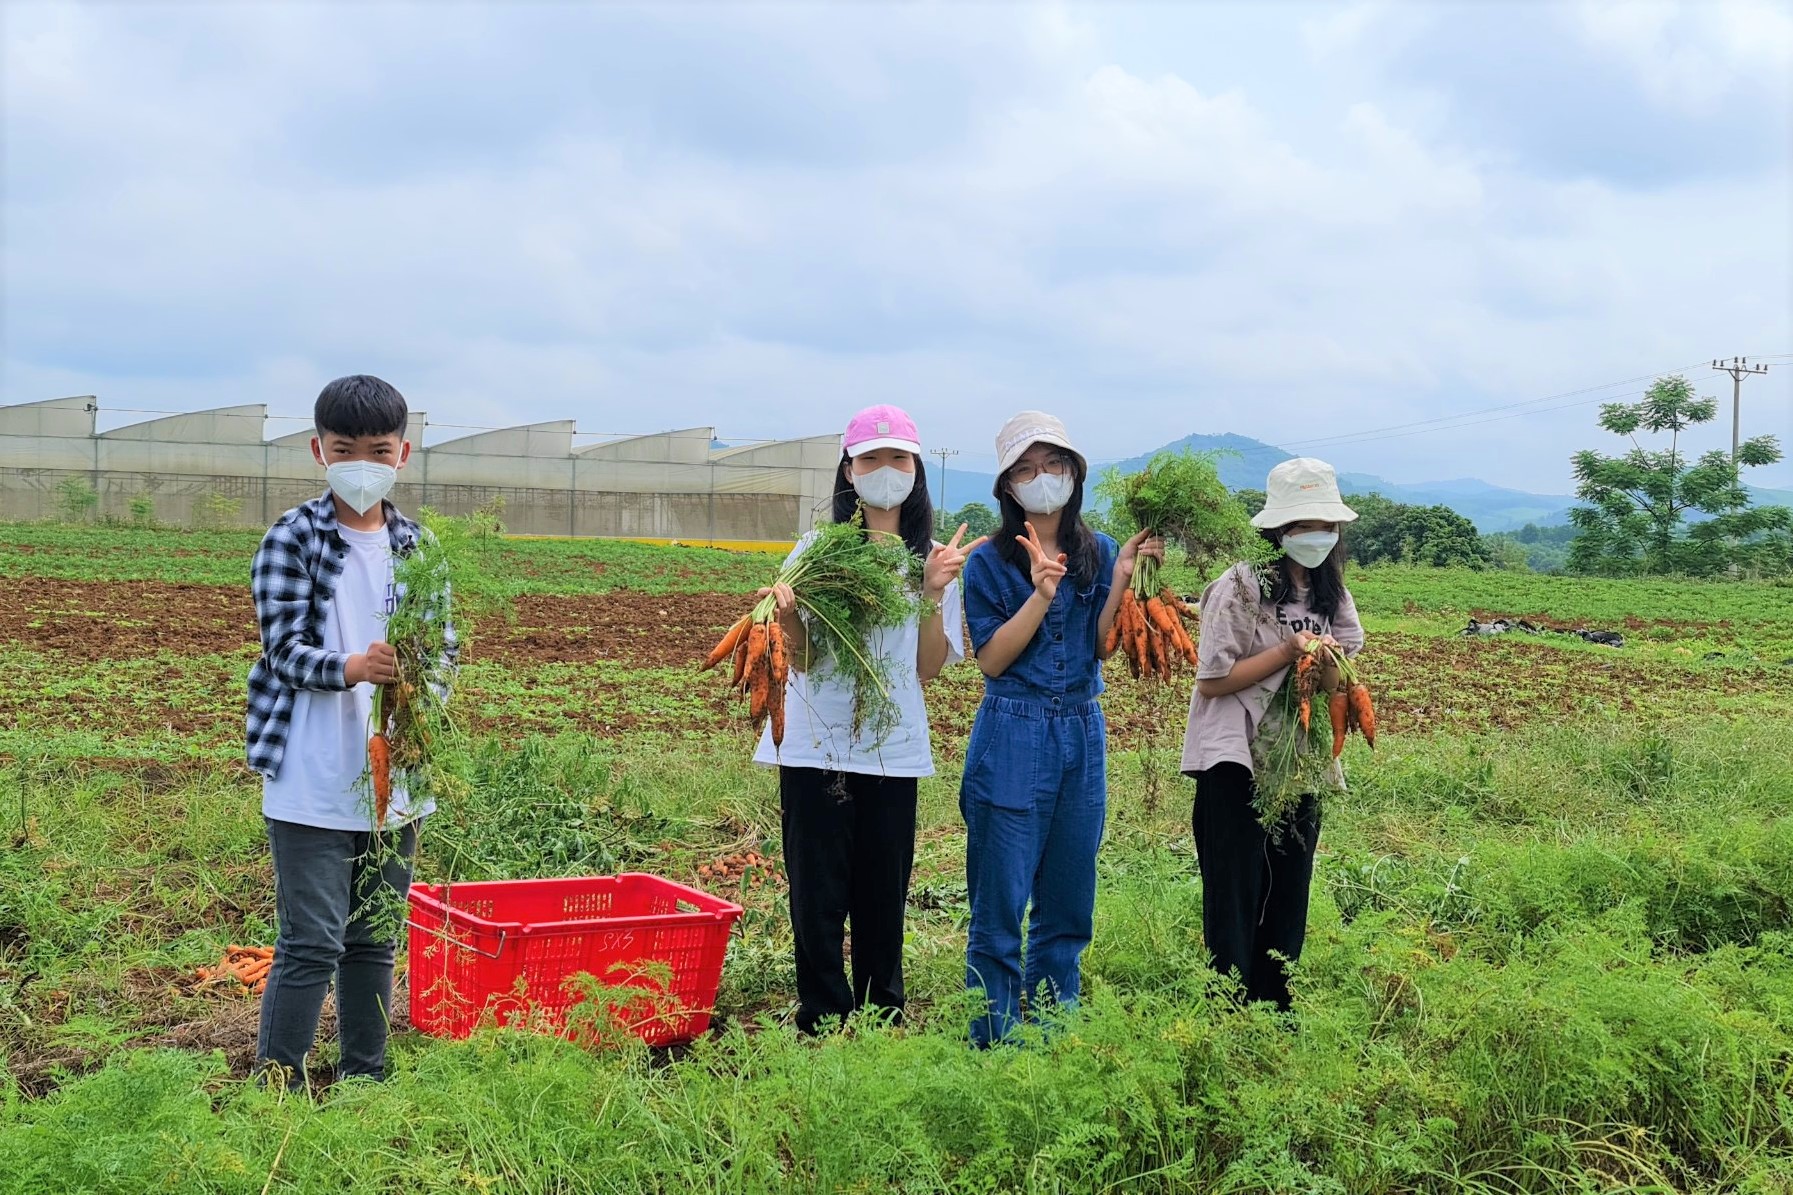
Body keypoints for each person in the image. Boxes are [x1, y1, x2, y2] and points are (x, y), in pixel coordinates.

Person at [246, 374, 455, 1084]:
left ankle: (366, 1075)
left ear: (402, 453)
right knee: (310, 939)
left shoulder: (418, 546)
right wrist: (354, 665)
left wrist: (422, 692)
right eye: (345, 448)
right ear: (318, 450)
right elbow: (283, 649)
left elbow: (442, 647)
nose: (361, 462)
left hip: (395, 779)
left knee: (373, 936)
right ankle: (276, 1081)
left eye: (377, 448)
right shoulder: (292, 537)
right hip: (311, 771)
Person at [755, 405, 980, 1035]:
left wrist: (932, 594)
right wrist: (790, 612)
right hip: (813, 747)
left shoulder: (934, 560)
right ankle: (822, 1018)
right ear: (848, 472)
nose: (886, 471)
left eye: (898, 459)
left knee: (884, 892)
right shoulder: (815, 552)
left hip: (892, 750)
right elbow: (798, 656)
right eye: (872, 459)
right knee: (817, 894)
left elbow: (928, 668)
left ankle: (883, 1016)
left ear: (916, 471)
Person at [958, 411, 1160, 1046]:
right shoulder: (988, 563)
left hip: (1082, 727)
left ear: (1074, 474)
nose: (1041, 477)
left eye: (1053, 465)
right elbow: (992, 659)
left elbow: (1099, 647)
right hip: (1014, 728)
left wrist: (1121, 577)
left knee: (1070, 890)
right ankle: (992, 1036)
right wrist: (1041, 593)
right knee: (1001, 894)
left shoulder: (1096, 550)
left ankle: (1052, 1025)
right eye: (1025, 468)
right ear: (1007, 486)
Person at [1179, 457, 1363, 1011]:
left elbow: (1337, 678)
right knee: (1235, 891)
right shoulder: (1239, 585)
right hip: (1234, 755)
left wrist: (1327, 665)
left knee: (1289, 887)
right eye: (1304, 525)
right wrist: (1287, 651)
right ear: (1277, 530)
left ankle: (1275, 1008)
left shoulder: (1332, 591)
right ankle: (1227, 1008)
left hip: (1297, 758)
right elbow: (1213, 681)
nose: (1317, 536)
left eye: (1326, 526)